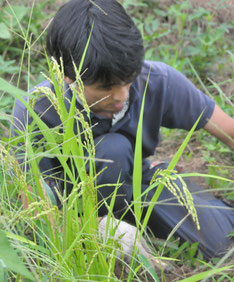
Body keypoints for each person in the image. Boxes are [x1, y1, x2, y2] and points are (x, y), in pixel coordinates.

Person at [12, 0, 234, 260]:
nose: (121, 95)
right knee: (111, 152)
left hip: (136, 184)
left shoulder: (157, 80)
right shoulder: (35, 110)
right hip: (71, 207)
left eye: (128, 81)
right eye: (106, 88)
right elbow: (34, 205)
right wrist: (93, 230)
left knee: (224, 241)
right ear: (68, 77)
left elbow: (229, 131)